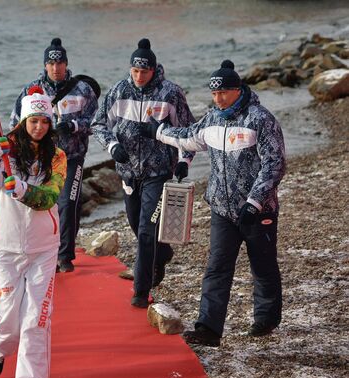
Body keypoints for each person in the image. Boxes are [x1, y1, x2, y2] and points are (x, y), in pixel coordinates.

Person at [141, 60, 286, 347]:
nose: (218, 99)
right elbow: (188, 137)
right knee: (217, 267)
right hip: (222, 209)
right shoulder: (212, 118)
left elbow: (275, 164)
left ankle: (266, 318)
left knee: (263, 266)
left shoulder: (260, 119)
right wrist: (158, 131)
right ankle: (208, 328)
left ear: (237, 90)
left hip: (258, 212)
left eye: (224, 93)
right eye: (214, 94)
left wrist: (254, 202)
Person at [0, 87, 67, 378]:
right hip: (4, 245)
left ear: (49, 122)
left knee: (37, 319)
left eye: (44, 120)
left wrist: (25, 189)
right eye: (33, 120)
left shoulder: (56, 156)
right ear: (23, 120)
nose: (38, 126)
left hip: (43, 247)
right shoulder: (4, 149)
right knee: (9, 315)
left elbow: (50, 197)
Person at [91, 38, 195, 308]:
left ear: (154, 69)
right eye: (135, 71)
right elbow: (98, 124)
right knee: (136, 225)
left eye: (144, 72)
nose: (139, 76)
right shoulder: (118, 91)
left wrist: (184, 160)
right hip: (127, 172)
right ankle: (161, 254)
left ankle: (141, 289)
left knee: (147, 230)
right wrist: (112, 147)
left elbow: (187, 131)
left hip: (158, 172)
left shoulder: (170, 93)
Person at [10, 38, 99, 273]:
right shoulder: (32, 92)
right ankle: (38, 249)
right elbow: (15, 122)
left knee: (68, 203)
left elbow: (97, 122)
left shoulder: (82, 90)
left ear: (66, 64)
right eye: (51, 64)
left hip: (73, 156)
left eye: (59, 63)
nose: (55, 68)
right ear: (45, 65)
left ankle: (64, 256)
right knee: (38, 203)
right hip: (40, 159)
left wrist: (73, 126)